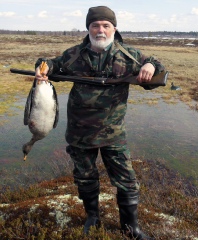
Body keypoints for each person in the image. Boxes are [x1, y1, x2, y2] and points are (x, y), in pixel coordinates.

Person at [35, 6, 165, 240]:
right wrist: (43, 68)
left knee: (127, 180)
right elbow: (50, 63)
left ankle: (130, 228)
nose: (100, 30)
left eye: (106, 25)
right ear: (88, 28)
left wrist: (150, 66)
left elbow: (157, 66)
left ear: (114, 28)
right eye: (95, 25)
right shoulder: (74, 54)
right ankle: (92, 217)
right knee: (85, 177)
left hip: (113, 133)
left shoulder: (128, 55)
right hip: (79, 133)